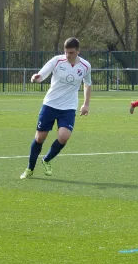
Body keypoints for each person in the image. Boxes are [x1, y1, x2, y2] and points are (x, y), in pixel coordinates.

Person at [20, 37, 92, 179]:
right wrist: (36, 77)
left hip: (69, 107)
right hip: (50, 104)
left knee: (64, 137)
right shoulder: (57, 61)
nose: (68, 55)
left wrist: (86, 104)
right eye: (66, 52)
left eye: (71, 52)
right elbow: (43, 74)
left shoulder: (85, 66)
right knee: (40, 137)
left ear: (78, 51)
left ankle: (46, 159)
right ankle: (30, 168)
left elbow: (87, 84)